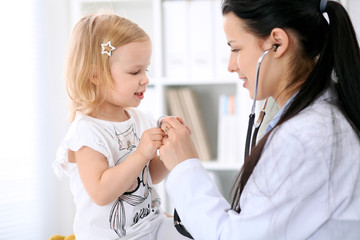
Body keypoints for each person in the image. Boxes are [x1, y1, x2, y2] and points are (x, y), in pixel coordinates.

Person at [158, 0, 360, 239]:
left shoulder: (303, 138)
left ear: (277, 43)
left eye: (235, 49)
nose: (231, 66)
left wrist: (185, 167)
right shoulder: (323, 117)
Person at [53, 12, 189, 240]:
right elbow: (101, 192)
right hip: (112, 237)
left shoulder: (139, 118)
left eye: (146, 69)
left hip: (150, 226)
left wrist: (168, 150)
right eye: (135, 71)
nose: (145, 78)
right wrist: (142, 153)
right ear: (95, 75)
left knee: (195, 231)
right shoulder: (86, 132)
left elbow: (149, 177)